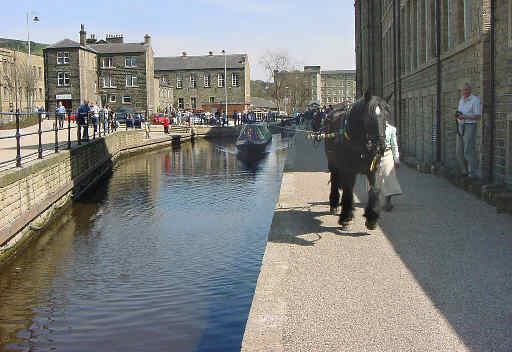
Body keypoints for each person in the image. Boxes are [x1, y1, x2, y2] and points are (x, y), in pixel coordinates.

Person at [456, 82, 482, 178]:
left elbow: (478, 116)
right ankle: (464, 171)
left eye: (467, 90)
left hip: (470, 126)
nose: (465, 92)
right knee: (459, 150)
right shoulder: (461, 100)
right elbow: (460, 113)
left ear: (470, 90)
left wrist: (465, 117)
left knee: (468, 149)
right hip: (460, 126)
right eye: (463, 90)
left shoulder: (475, 100)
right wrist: (458, 116)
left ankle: (473, 173)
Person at [379, 120, 402, 211]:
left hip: (387, 154)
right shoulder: (372, 128)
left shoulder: (392, 129)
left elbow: (394, 145)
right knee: (376, 178)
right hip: (375, 155)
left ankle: (388, 202)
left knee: (389, 177)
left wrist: (396, 159)